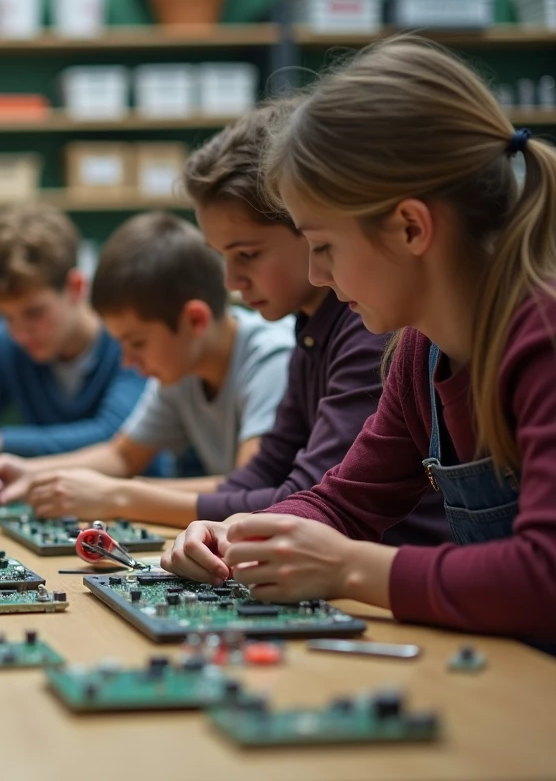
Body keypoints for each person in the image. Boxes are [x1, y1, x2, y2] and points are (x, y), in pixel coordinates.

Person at [162, 36, 556, 645]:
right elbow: (343, 503)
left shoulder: (541, 336)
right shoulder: (418, 353)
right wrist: (240, 532)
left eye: (323, 247)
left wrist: (349, 567)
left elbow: (543, 577)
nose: (317, 275)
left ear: (409, 228)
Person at [27, 98, 446, 541]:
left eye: (247, 254)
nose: (231, 280)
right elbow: (266, 479)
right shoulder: (310, 332)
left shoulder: (368, 328)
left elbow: (301, 495)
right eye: (221, 257)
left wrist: (122, 498)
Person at [0, 211, 296, 518]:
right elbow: (122, 456)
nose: (127, 360)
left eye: (137, 343)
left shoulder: (271, 359)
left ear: (195, 320)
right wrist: (33, 473)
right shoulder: (183, 366)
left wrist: (117, 496)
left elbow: (251, 490)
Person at [0, 203, 145, 477]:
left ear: (76, 287)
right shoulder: (5, 339)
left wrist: (5, 442)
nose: (19, 333)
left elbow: (116, 434)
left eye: (34, 313)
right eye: (6, 316)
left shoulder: (127, 340)